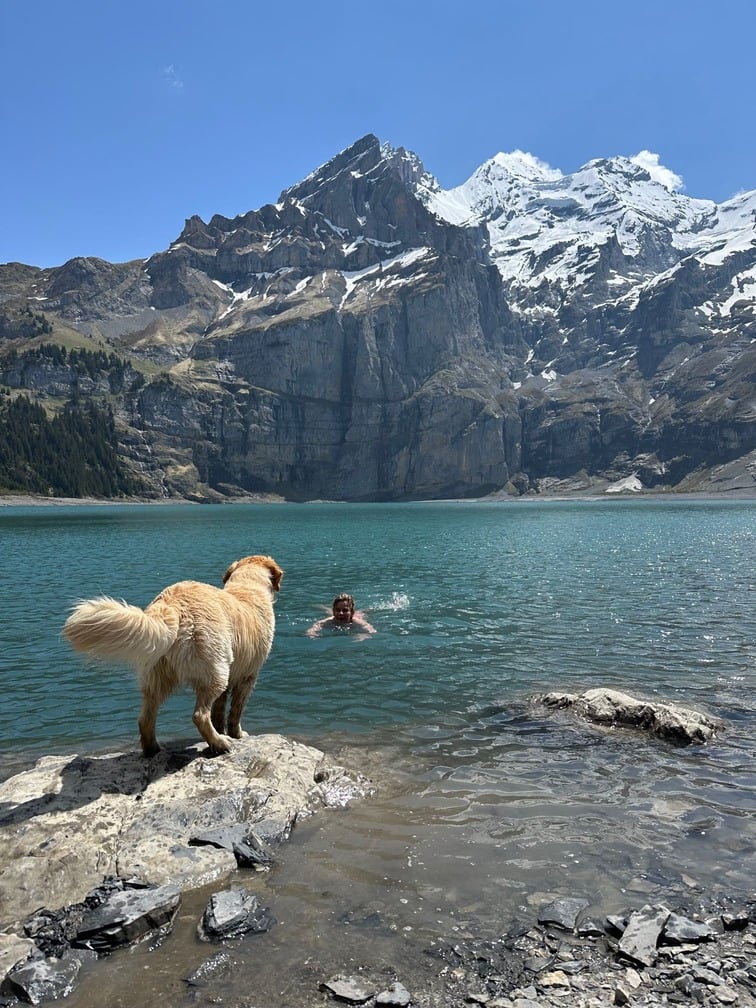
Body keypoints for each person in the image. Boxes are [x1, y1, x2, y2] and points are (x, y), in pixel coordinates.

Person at [306, 593, 376, 637]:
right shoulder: (327, 622)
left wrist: (363, 636)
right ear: (334, 611)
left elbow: (371, 630)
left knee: (361, 613)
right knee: (329, 612)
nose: (341, 613)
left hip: (357, 616)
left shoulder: (357, 622)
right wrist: (312, 633)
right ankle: (323, 607)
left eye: (345, 610)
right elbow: (315, 627)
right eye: (338, 610)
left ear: (351, 612)